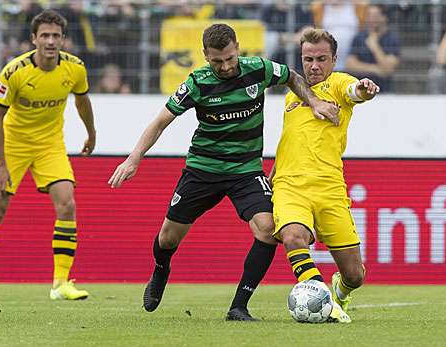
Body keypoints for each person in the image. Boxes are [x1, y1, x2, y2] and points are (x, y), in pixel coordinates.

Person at [108, 23, 338, 321]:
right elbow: (161, 121)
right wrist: (134, 158)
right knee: (167, 239)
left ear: (237, 48)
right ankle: (161, 270)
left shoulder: (259, 69)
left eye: (230, 58)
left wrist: (314, 100)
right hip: (203, 168)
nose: (226, 66)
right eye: (218, 61)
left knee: (268, 230)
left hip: (246, 171)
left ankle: (239, 306)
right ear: (205, 55)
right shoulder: (197, 83)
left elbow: (292, 77)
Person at [0, 10, 96, 301]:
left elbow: (83, 100)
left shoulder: (75, 68)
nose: (50, 41)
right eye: (45, 35)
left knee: (67, 205)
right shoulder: (15, 72)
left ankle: (60, 284)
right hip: (13, 146)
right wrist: (0, 164)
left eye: (56, 36)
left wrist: (91, 133)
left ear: (63, 39)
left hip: (50, 145)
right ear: (34, 39)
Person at [270, 28, 379, 323]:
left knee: (355, 275)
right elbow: (291, 138)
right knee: (294, 237)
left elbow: (354, 91)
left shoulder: (337, 83)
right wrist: (274, 173)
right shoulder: (292, 95)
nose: (314, 65)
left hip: (329, 188)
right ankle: (325, 303)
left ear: (333, 60)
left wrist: (364, 90)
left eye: (321, 59)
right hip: (290, 185)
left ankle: (340, 292)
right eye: (307, 59)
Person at [346, 4, 400, 92]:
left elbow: (388, 69)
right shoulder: (359, 37)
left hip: (383, 88)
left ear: (384, 18)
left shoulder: (392, 39)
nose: (371, 19)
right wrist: (376, 69)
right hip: (360, 88)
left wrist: (375, 47)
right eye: (369, 15)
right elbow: (350, 64)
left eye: (375, 16)